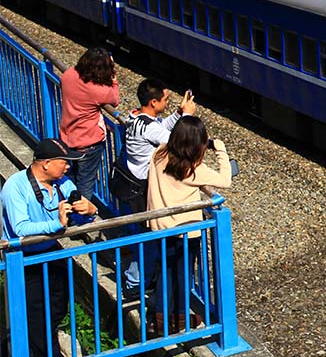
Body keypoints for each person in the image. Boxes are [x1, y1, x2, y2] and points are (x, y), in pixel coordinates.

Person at [1, 138, 98, 357]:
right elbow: (21, 228)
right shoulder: (15, 187)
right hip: (23, 256)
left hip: (50, 251)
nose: (68, 168)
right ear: (45, 164)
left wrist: (89, 209)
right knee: (35, 314)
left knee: (56, 308)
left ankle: (30, 354)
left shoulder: (63, 183)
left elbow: (79, 217)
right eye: (63, 163)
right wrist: (57, 224)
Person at [145, 116, 231, 333]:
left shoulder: (159, 153)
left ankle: (161, 319)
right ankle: (179, 319)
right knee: (183, 275)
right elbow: (225, 180)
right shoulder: (193, 170)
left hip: (159, 227)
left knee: (165, 272)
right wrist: (220, 149)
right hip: (186, 231)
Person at [115, 79, 196, 293]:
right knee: (146, 239)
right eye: (165, 100)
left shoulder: (135, 117)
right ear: (153, 102)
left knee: (140, 237)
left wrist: (178, 114)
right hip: (142, 190)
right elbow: (180, 142)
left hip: (129, 183)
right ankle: (135, 283)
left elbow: (160, 127)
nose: (167, 103)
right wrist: (187, 116)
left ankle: (139, 278)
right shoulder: (150, 129)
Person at [59, 47, 119, 201]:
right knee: (85, 183)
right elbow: (115, 100)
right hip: (89, 143)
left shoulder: (68, 75)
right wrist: (113, 78)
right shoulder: (99, 91)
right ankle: (80, 219)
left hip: (67, 139)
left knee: (69, 179)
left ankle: (67, 210)